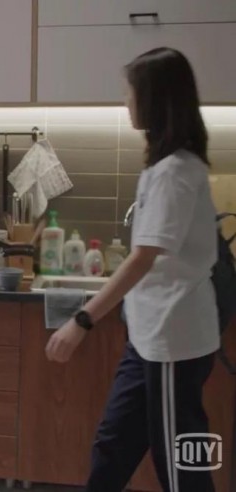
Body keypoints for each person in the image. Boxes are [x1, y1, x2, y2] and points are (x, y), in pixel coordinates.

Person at [45, 47, 220, 492]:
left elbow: (143, 257)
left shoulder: (176, 172)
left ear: (155, 99)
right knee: (113, 447)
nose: (125, 101)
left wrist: (82, 320)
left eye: (130, 91)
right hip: (148, 339)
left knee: (180, 468)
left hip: (172, 340)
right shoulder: (165, 168)